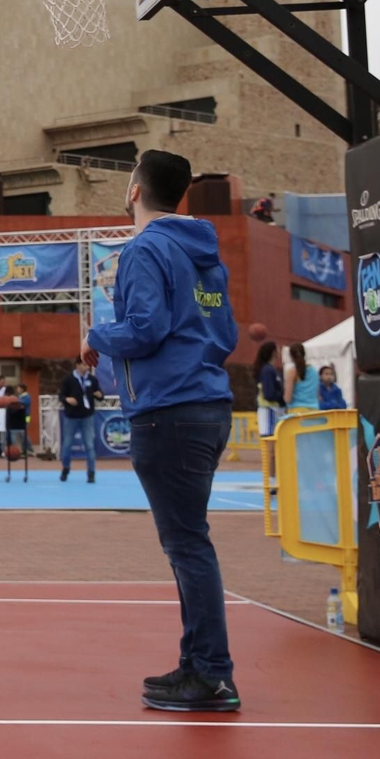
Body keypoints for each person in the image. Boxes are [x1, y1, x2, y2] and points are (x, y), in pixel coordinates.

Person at [82, 149, 240, 713]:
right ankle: (199, 664)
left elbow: (145, 329)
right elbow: (225, 333)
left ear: (133, 191)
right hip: (206, 403)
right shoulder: (204, 253)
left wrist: (99, 336)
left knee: (187, 545)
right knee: (189, 542)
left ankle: (212, 674)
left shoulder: (145, 249)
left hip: (168, 408)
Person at [58, 357, 103, 484]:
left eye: (88, 365)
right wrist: (67, 400)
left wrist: (100, 395)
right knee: (67, 445)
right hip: (71, 417)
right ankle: (65, 469)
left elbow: (99, 394)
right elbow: (61, 396)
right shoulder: (68, 380)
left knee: (89, 445)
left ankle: (91, 473)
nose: (87, 367)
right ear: (77, 365)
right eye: (84, 364)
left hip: (87, 416)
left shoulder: (92, 379)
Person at [255, 341, 285, 436]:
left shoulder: (271, 369)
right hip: (269, 410)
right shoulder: (267, 370)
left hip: (273, 410)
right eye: (278, 349)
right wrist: (283, 396)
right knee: (270, 442)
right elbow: (268, 393)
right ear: (274, 352)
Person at [2, 384, 31, 481]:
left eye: (18, 388)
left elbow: (22, 404)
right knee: (15, 434)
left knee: (23, 435)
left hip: (24, 418)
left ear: (22, 389)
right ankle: (19, 449)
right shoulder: (19, 397)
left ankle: (27, 449)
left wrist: (12, 400)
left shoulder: (26, 397)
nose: (17, 389)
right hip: (16, 419)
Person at [285, 343, 318, 411]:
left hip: (297, 411)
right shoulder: (314, 371)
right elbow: (317, 393)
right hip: (314, 410)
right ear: (304, 354)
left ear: (291, 356)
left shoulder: (292, 372)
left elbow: (288, 398)